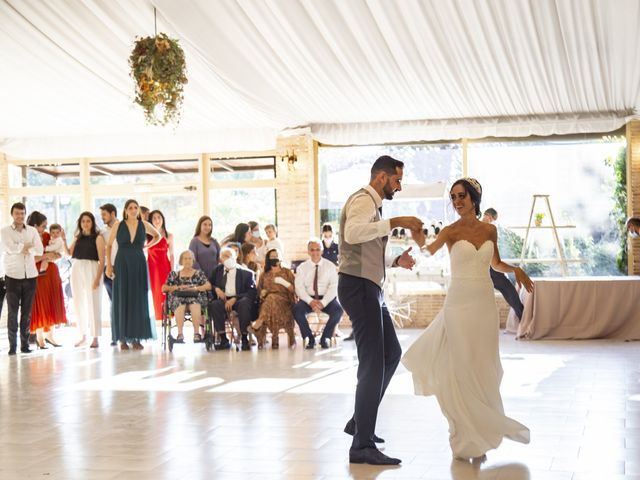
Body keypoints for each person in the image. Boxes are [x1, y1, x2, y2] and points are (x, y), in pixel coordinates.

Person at [403, 178, 532, 461]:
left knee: (482, 365)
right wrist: (417, 240)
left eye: (462, 196)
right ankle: (464, 434)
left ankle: (481, 432)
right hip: (458, 304)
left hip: (483, 304)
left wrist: (517, 270)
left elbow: (495, 263)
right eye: (453, 197)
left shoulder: (490, 230)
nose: (457, 201)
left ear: (474, 198)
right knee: (460, 366)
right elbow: (428, 251)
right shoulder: (450, 231)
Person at [338, 155, 424, 465]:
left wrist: (395, 261)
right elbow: (353, 234)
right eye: (397, 180)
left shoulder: (373, 206)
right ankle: (361, 446)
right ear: (381, 178)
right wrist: (398, 222)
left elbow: (367, 251)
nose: (399, 186)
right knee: (373, 363)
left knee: (390, 355)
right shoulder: (363, 200)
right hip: (359, 288)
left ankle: (360, 422)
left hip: (369, 286)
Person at [106, 199, 161, 351]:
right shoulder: (118, 225)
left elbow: (158, 236)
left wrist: (145, 246)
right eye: (130, 207)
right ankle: (122, 338)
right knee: (122, 297)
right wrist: (109, 266)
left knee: (138, 298)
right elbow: (109, 245)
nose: (133, 210)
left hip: (138, 262)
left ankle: (137, 338)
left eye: (135, 207)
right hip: (122, 262)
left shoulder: (144, 224)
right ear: (125, 210)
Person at [1, 203, 43, 354]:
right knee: (12, 312)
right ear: (12, 214)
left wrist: (22, 247)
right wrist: (24, 246)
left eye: (22, 213)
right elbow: (9, 248)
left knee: (27, 313)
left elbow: (39, 249)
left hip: (30, 276)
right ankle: (13, 346)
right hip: (12, 276)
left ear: (25, 214)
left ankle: (25, 346)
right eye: (17, 213)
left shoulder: (32, 230)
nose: (20, 216)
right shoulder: (4, 232)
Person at [293, 239, 343, 349]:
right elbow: (299, 287)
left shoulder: (330, 266)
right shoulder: (302, 267)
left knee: (338, 311)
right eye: (312, 250)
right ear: (308, 251)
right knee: (297, 310)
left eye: (318, 249)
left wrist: (323, 302)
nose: (315, 252)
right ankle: (309, 338)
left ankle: (325, 337)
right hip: (308, 299)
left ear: (322, 251)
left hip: (326, 299)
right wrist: (310, 301)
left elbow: (333, 286)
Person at [28, 211, 67, 349]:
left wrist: (50, 255)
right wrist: (46, 256)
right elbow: (32, 258)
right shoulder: (29, 238)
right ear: (35, 225)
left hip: (51, 273)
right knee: (40, 305)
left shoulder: (46, 236)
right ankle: (40, 338)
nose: (45, 228)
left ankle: (50, 336)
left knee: (52, 303)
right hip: (37, 274)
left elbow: (58, 254)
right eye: (43, 226)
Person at [209, 247, 257, 351]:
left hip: (239, 298)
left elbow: (251, 291)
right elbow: (209, 284)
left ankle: (244, 338)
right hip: (223, 299)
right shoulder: (217, 271)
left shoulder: (247, 273)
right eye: (225, 256)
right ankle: (223, 339)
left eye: (230, 256)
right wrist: (216, 289)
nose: (228, 258)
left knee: (244, 304)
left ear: (235, 257)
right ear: (221, 259)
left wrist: (235, 298)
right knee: (215, 305)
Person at [481, 208, 524, 321]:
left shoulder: (474, 226)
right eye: (494, 219)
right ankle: (522, 316)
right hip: (490, 268)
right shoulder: (490, 228)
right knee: (509, 290)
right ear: (490, 217)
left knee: (507, 290)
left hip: (480, 268)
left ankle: (521, 315)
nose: (494, 222)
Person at [69, 212, 105, 348]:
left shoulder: (98, 238)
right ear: (80, 223)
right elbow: (68, 253)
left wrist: (97, 278)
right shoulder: (78, 238)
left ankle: (95, 337)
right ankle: (83, 335)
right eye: (83, 221)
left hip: (92, 268)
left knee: (94, 302)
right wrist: (62, 239)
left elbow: (102, 260)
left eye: (88, 221)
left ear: (92, 222)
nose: (85, 223)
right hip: (77, 267)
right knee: (78, 302)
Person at [250, 248, 296, 349]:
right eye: (272, 257)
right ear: (268, 259)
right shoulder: (264, 274)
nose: (275, 258)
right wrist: (262, 293)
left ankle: (258, 323)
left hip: (285, 301)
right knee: (270, 299)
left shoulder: (287, 272)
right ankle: (272, 336)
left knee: (272, 298)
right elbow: (259, 292)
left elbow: (294, 289)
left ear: (280, 258)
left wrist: (283, 282)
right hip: (268, 302)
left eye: (277, 256)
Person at [162, 250, 211, 343]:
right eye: (185, 258)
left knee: (195, 303)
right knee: (180, 303)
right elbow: (163, 288)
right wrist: (178, 287)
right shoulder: (174, 274)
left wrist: (196, 288)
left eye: (189, 258)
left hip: (195, 297)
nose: (187, 261)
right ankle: (180, 334)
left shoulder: (199, 274)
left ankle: (197, 334)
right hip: (179, 298)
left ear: (193, 260)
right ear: (181, 260)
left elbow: (208, 286)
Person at [148, 210, 174, 321]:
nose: (157, 220)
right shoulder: (147, 236)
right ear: (150, 220)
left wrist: (173, 271)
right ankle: (156, 318)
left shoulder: (169, 235)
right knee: (154, 293)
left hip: (164, 267)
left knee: (165, 293)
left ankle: (167, 316)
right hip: (151, 267)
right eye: (154, 218)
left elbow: (172, 255)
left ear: (162, 219)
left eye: (159, 217)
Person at [100, 203, 118, 345]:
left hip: (124, 270)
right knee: (113, 304)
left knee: (124, 304)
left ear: (112, 214)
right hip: (109, 271)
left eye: (104, 214)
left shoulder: (123, 228)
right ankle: (115, 335)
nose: (102, 218)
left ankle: (127, 334)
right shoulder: (102, 232)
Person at [189, 215, 221, 280]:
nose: (208, 227)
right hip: (199, 277)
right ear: (200, 226)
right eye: (205, 224)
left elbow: (220, 257)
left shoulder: (214, 241)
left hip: (215, 276)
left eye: (210, 225)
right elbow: (193, 260)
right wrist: (202, 276)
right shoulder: (194, 241)